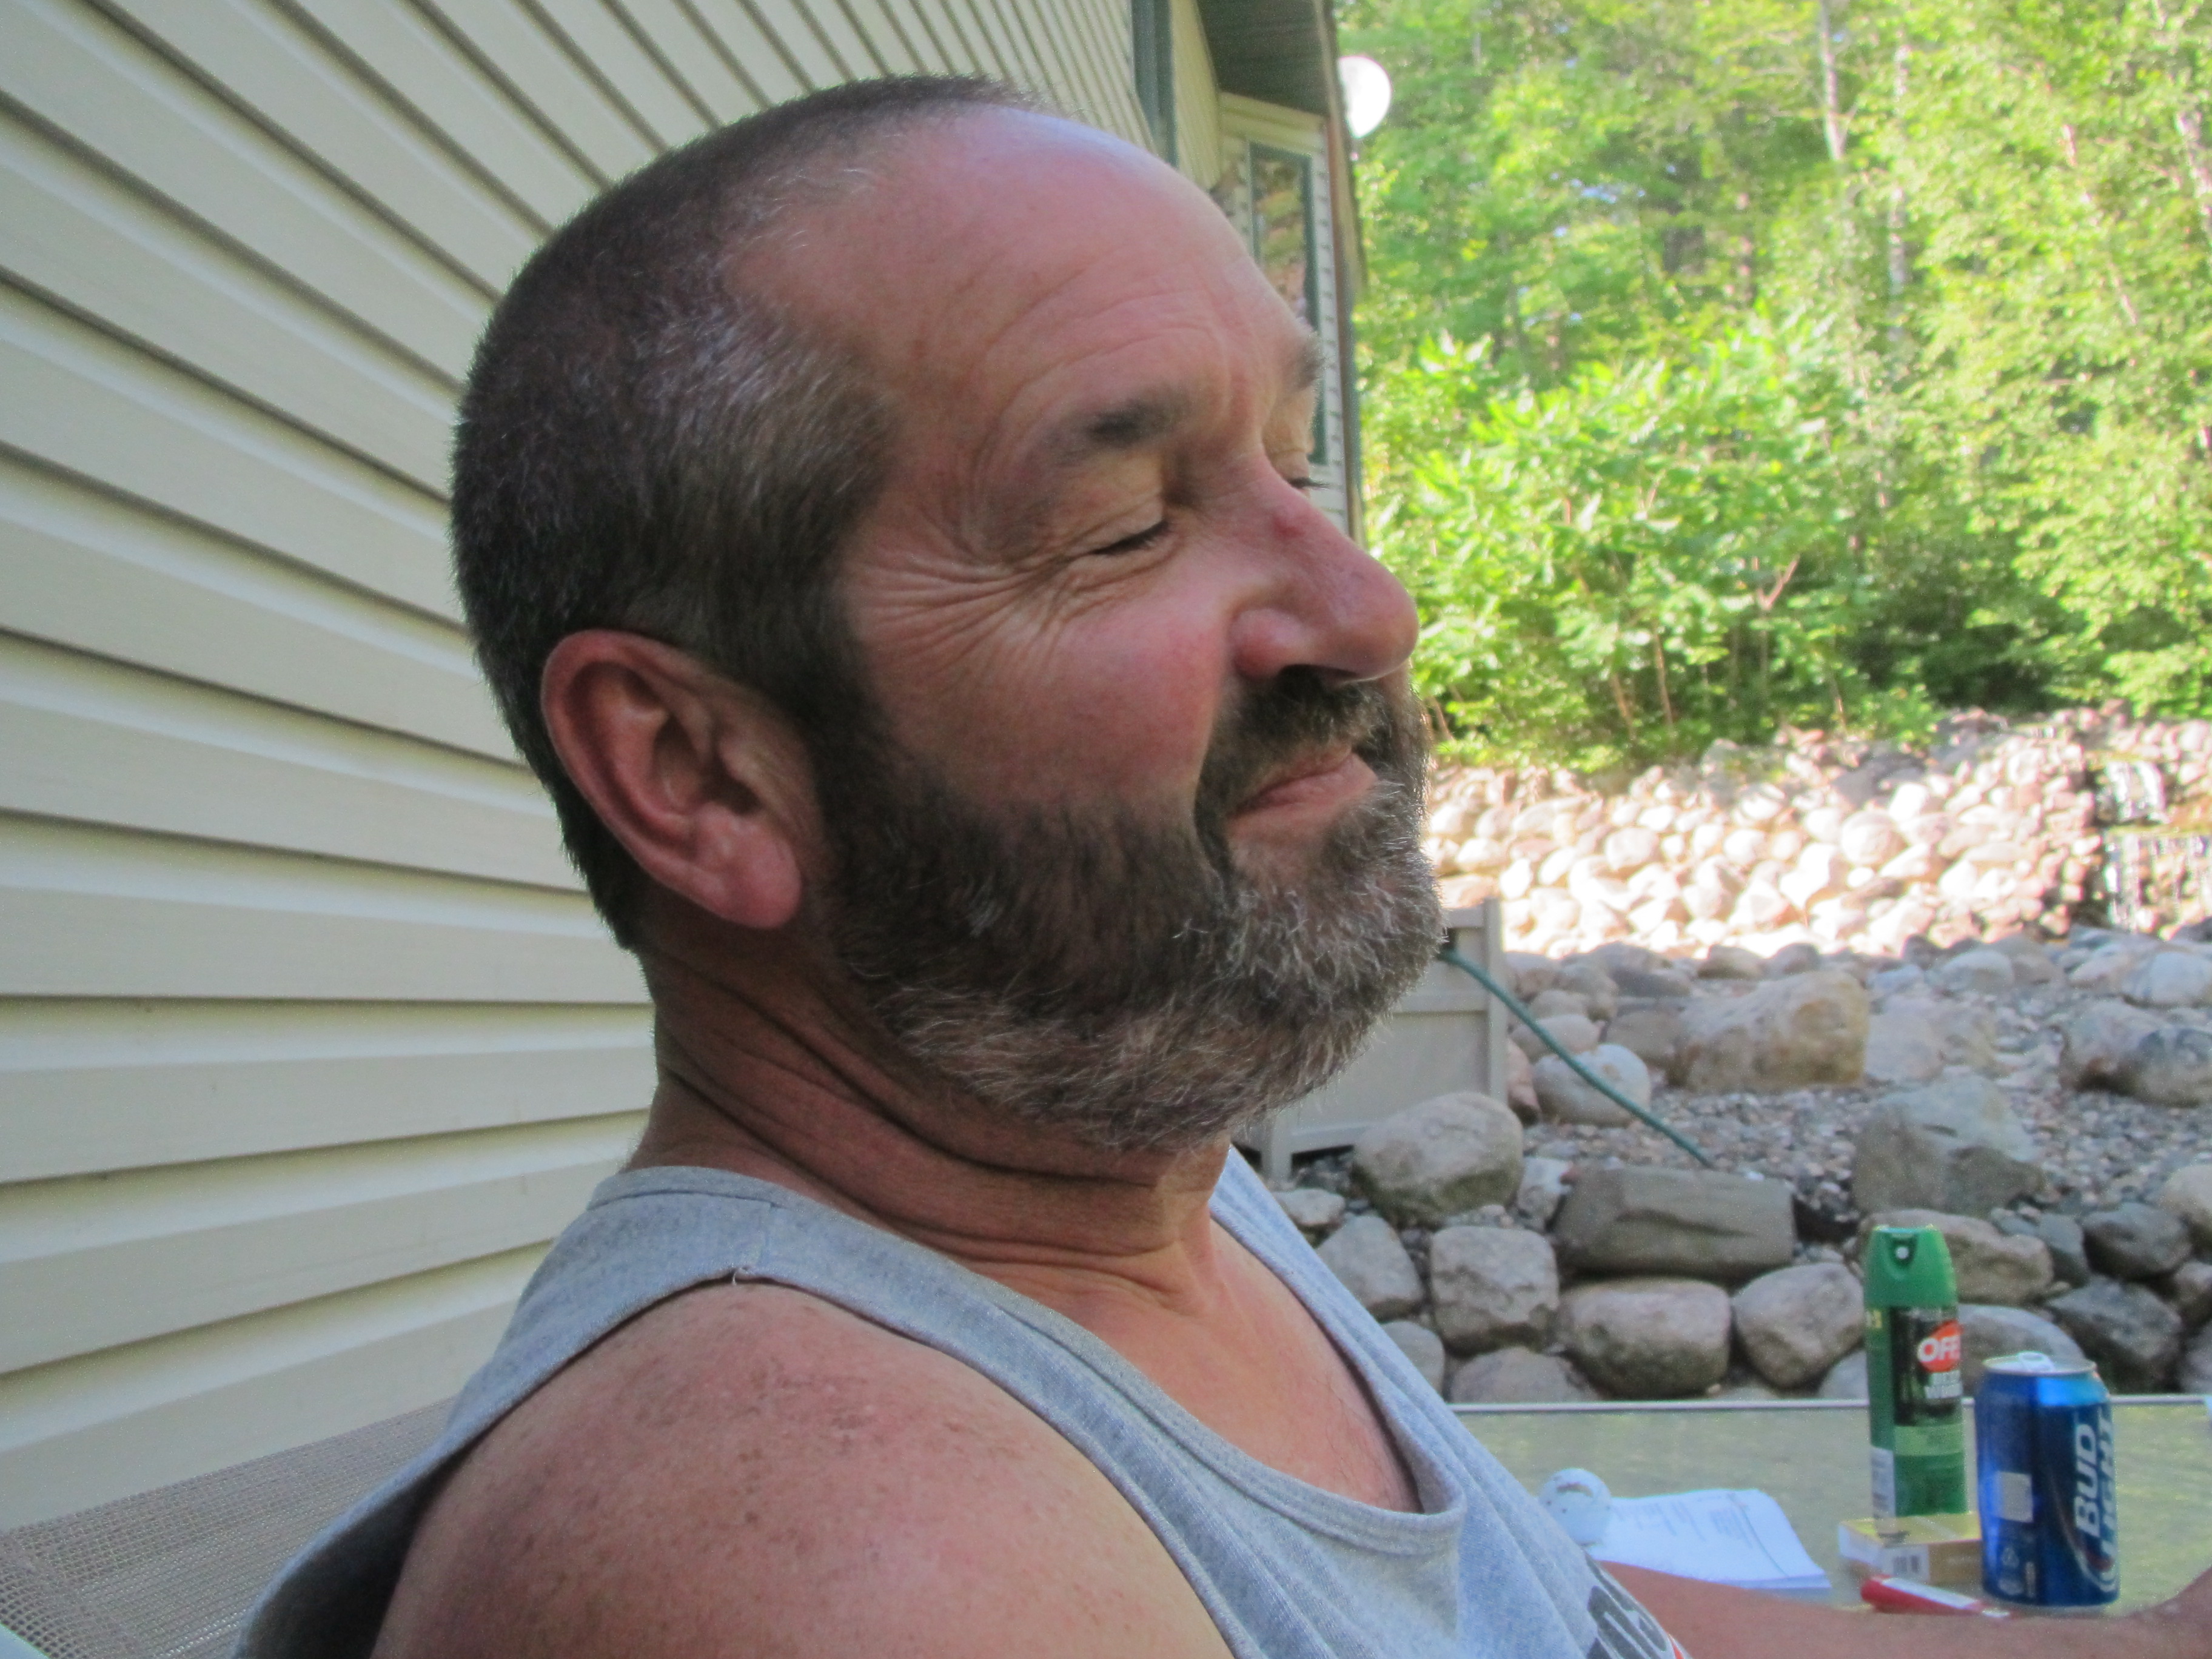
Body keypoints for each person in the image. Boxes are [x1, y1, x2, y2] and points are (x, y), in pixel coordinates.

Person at [241, 77, 2211, 1659]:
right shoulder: (849, 1556)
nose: (1369, 607)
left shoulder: (1121, 1186)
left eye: (1294, 459)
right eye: (1123, 525)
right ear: (700, 774)